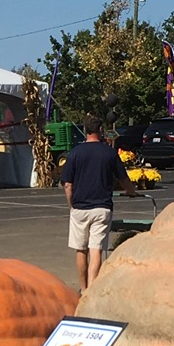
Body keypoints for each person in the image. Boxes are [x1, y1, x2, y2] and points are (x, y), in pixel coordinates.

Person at [59, 115, 130, 290]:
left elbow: (67, 184)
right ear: (101, 131)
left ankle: (83, 289)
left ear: (85, 131)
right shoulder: (109, 152)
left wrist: (71, 204)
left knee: (80, 249)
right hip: (102, 207)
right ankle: (92, 288)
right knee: (96, 249)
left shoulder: (75, 153)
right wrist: (131, 191)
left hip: (80, 207)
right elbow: (123, 178)